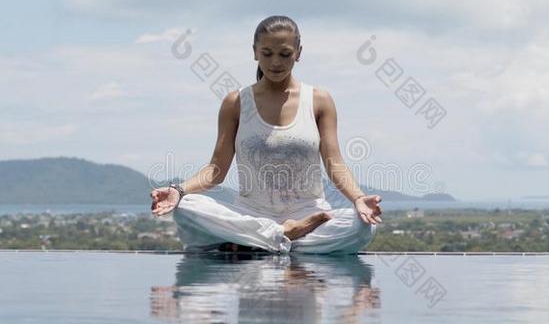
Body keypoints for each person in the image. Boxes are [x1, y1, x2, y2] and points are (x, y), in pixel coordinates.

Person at [150, 15, 382, 254]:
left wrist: (358, 198)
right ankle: (281, 236)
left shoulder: (319, 100)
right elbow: (215, 171)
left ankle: (254, 242)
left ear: (298, 53)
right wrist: (177, 191)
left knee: (362, 226)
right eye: (267, 53)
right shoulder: (235, 102)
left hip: (309, 216)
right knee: (186, 207)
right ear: (255, 52)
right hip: (250, 215)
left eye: (285, 54)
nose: (275, 62)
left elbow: (335, 163)